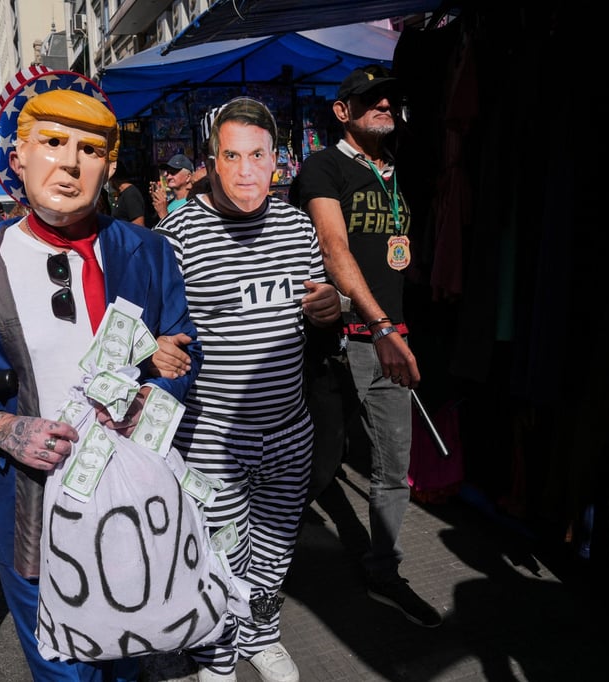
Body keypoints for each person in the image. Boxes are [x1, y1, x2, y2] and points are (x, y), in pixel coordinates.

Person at [0, 68, 202, 681]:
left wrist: (151, 395)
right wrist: (4, 429)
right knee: (63, 670)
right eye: (53, 143)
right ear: (19, 154)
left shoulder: (149, 252)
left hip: (133, 502)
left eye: (91, 150)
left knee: (132, 660)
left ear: (108, 166)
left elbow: (187, 350)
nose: (71, 164)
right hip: (36, 510)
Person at [152, 96, 341, 682]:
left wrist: (331, 308)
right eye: (231, 155)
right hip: (213, 438)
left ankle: (263, 635)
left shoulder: (295, 224)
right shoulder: (177, 231)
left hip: (290, 430)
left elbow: (321, 310)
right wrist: (155, 344)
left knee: (275, 548)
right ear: (211, 161)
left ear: (277, 160)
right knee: (221, 554)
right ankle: (217, 651)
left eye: (258, 155)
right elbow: (147, 318)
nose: (245, 170)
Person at [289, 65, 443, 629]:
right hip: (339, 339)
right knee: (320, 463)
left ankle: (383, 568)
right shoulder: (323, 167)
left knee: (393, 464)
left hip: (388, 335)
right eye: (369, 98)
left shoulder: (400, 170)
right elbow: (333, 248)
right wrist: (380, 327)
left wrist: (395, 330)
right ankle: (267, 562)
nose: (383, 105)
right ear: (341, 111)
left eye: (388, 99)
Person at [149, 152, 193, 220]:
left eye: (173, 172)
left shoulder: (193, 203)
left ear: (188, 177)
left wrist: (163, 214)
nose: (168, 177)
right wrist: (157, 201)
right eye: (167, 173)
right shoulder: (169, 202)